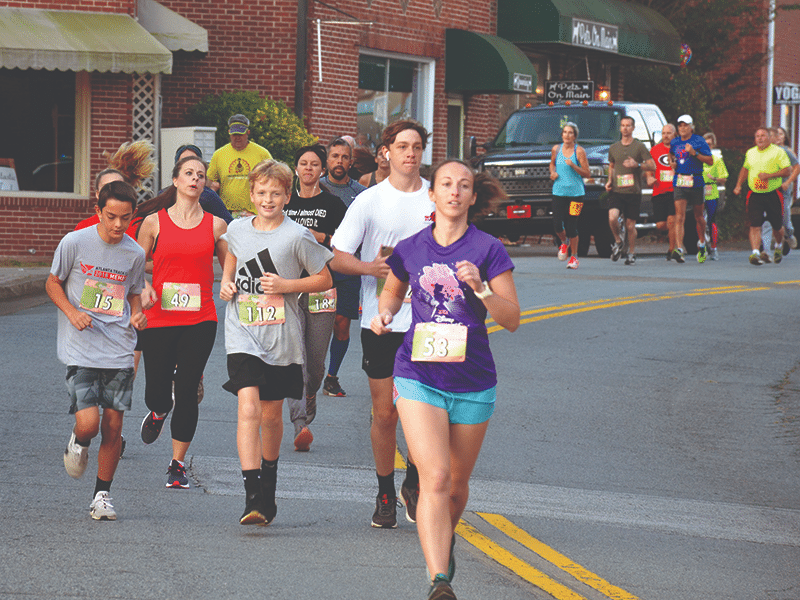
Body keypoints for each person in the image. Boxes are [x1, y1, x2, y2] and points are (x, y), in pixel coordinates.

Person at [371, 159, 519, 600]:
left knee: (455, 485)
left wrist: (484, 290)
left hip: (473, 381)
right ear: (431, 195)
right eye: (446, 184)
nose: (454, 192)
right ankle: (440, 581)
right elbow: (393, 290)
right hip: (418, 375)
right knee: (433, 477)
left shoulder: (489, 249)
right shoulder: (412, 247)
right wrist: (385, 313)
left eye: (464, 186)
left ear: (473, 197)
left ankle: (442, 541)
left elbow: (511, 319)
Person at [330, 119, 435, 529]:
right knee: (384, 413)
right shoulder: (369, 201)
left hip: (429, 322)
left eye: (417, 147)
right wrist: (369, 266)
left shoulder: (435, 198)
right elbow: (337, 255)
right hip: (382, 322)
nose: (411, 153)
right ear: (386, 153)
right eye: (403, 146)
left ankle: (415, 479)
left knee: (424, 411)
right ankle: (385, 490)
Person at [219, 159, 333, 525]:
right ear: (251, 194)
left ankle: (269, 481)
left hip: (281, 336)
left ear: (287, 196)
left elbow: (324, 279)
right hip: (242, 333)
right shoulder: (237, 229)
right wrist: (226, 281)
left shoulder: (296, 235)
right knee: (248, 407)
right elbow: (232, 256)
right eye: (261, 193)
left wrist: (287, 286)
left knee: (270, 415)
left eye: (276, 194)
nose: (268, 199)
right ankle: (252, 494)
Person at [47, 180, 147, 520]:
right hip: (81, 347)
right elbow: (52, 282)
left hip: (118, 347)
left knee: (114, 427)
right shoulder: (75, 242)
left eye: (125, 218)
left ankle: (101, 496)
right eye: (111, 216)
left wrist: (136, 312)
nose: (118, 225)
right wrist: (72, 312)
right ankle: (79, 440)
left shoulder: (134, 253)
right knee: (89, 424)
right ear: (98, 212)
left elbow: (133, 290)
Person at [136, 156, 228, 487]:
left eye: (200, 175)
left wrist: (230, 281)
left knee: (187, 389)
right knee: (157, 392)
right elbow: (135, 263)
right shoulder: (153, 222)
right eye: (188, 174)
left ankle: (177, 464)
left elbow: (230, 262)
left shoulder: (216, 225)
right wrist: (145, 286)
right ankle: (159, 410)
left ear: (205, 184)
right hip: (159, 316)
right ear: (175, 180)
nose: (195, 179)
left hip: (200, 318)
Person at [283, 144, 347, 450]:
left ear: (322, 171)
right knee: (295, 357)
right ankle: (299, 425)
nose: (308, 168)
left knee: (316, 362)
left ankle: (310, 394)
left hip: (322, 288)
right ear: (296, 168)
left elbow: (347, 245)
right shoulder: (285, 202)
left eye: (314, 165)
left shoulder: (333, 206)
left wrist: (321, 236)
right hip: (290, 287)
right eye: (303, 163)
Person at [319, 138, 367, 397]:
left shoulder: (360, 194)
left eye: (344, 157)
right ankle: (310, 372)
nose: (339, 161)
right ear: (327, 161)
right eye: (334, 156)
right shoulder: (315, 189)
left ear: (351, 162)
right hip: (317, 266)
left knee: (341, 323)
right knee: (315, 324)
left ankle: (332, 376)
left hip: (348, 266)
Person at [733, 127, 791, 265]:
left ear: (769, 138)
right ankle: (755, 253)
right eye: (757, 136)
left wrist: (769, 176)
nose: (760, 138)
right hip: (755, 193)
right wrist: (738, 185)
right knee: (755, 224)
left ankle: (778, 245)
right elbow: (745, 169)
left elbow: (787, 171)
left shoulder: (778, 152)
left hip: (773, 193)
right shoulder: (751, 152)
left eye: (763, 136)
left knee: (777, 226)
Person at [605, 116, 655, 265]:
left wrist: (638, 165)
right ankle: (618, 241)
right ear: (620, 128)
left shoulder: (639, 147)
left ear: (633, 128)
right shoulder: (614, 147)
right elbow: (612, 166)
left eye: (628, 126)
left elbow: (652, 166)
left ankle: (631, 252)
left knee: (630, 225)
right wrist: (609, 181)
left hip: (633, 191)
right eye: (623, 125)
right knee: (612, 217)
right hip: (617, 190)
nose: (625, 128)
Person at [207, 114, 272, 216]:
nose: (237, 138)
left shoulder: (262, 153)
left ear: (248, 133)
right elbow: (209, 182)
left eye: (240, 134)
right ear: (229, 133)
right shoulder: (219, 154)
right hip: (227, 213)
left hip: (254, 213)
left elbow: (273, 180)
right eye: (234, 134)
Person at [669, 115, 714, 263]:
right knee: (679, 216)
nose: (682, 128)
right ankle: (679, 249)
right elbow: (670, 155)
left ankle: (701, 244)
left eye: (686, 125)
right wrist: (672, 163)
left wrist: (695, 153)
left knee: (698, 217)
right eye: (680, 125)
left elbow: (710, 160)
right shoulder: (675, 141)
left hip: (696, 180)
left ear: (691, 127)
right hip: (680, 180)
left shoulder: (699, 141)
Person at [549, 122, 589, 269]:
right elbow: (552, 164)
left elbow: (587, 173)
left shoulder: (579, 151)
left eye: (570, 133)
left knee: (572, 226)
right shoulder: (556, 149)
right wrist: (552, 172)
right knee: (557, 224)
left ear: (575, 136)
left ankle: (574, 257)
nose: (567, 135)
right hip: (559, 192)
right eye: (565, 132)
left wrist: (573, 165)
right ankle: (564, 242)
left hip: (576, 194)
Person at [761, 126, 799, 257]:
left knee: (784, 218)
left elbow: (796, 167)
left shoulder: (786, 151)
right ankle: (766, 250)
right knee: (766, 221)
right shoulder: (762, 152)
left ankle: (788, 234)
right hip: (768, 190)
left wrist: (788, 182)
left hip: (783, 190)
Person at [172, 144, 233, 224]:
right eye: (184, 161)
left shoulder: (208, 197)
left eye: (193, 160)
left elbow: (229, 223)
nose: (189, 164)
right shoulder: (165, 195)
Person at [646, 124, 678, 260]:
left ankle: (672, 249)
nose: (665, 136)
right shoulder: (655, 150)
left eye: (668, 133)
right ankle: (676, 232)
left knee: (671, 220)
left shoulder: (680, 149)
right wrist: (649, 177)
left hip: (675, 190)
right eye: (663, 133)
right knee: (661, 225)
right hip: (659, 190)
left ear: (674, 135)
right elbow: (649, 167)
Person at [702, 133, 729, 261]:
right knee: (699, 220)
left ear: (713, 145)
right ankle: (702, 245)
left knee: (711, 220)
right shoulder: (697, 158)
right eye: (704, 144)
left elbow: (724, 179)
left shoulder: (716, 160)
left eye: (709, 144)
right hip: (698, 192)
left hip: (711, 191)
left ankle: (713, 248)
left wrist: (714, 178)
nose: (707, 146)